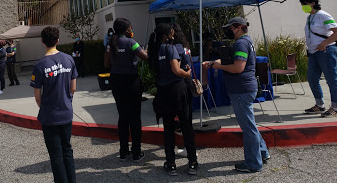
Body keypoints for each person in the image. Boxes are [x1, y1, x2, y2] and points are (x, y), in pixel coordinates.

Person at [203, 17, 269, 173]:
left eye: (230, 28)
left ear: (239, 27)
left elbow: (238, 67)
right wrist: (214, 63)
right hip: (244, 88)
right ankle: (262, 153)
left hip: (241, 89)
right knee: (250, 124)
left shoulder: (240, 43)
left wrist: (218, 66)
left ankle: (253, 163)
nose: (228, 30)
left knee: (248, 128)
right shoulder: (246, 41)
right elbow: (232, 60)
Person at [148, 23, 198, 176]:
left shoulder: (154, 50)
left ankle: (171, 164)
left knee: (168, 129)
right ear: (167, 33)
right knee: (186, 126)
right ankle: (192, 163)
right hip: (178, 91)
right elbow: (176, 70)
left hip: (163, 92)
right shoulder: (171, 48)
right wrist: (187, 73)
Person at [30, 26, 77, 183]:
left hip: (50, 116)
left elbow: (37, 97)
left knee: (56, 155)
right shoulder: (69, 59)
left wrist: (47, 108)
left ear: (42, 41)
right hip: (66, 113)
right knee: (67, 150)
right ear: (58, 40)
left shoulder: (40, 65)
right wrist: (66, 102)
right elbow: (73, 88)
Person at [104, 18, 148, 162]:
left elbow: (106, 63)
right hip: (131, 81)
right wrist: (145, 49)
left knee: (123, 117)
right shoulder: (131, 43)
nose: (131, 30)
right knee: (135, 117)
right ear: (126, 30)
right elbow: (145, 57)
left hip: (116, 81)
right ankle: (136, 152)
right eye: (131, 28)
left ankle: (124, 151)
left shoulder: (110, 44)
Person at [299, 0, 337, 117]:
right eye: (302, 4)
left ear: (313, 3)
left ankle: (335, 107)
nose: (304, 6)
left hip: (326, 51)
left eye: (306, 3)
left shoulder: (322, 15)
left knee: (331, 80)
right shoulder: (309, 18)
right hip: (313, 53)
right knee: (312, 79)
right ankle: (320, 105)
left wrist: (324, 43)